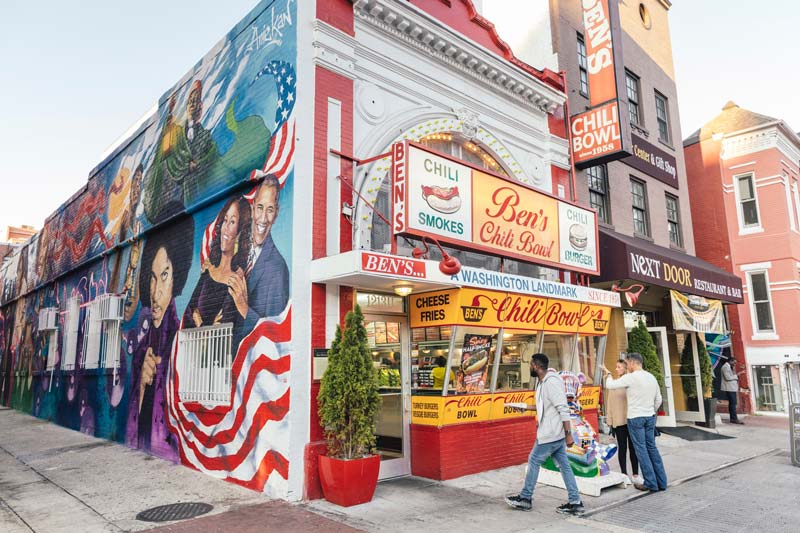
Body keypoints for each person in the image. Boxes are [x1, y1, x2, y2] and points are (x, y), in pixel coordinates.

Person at [126, 213, 193, 459]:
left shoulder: (180, 340)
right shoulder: (143, 348)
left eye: (164, 275)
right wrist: (142, 387)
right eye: (153, 278)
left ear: (177, 277)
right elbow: (132, 424)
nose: (156, 292)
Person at [505, 353, 584, 515]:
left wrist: (569, 434)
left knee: (534, 460)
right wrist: (524, 407)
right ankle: (575, 502)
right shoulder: (542, 382)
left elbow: (563, 408)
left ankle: (525, 498)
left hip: (550, 433)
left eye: (531, 365)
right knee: (564, 466)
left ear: (537, 366)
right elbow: (546, 406)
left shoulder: (551, 383)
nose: (529, 367)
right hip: (554, 433)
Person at [228, 175, 290, 339]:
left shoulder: (278, 269)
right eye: (260, 208)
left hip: (251, 360)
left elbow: (274, 334)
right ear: (253, 207)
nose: (263, 218)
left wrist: (243, 306)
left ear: (276, 213)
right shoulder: (239, 255)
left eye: (269, 210)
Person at [602, 353, 667, 492]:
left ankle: (650, 482)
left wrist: (607, 374)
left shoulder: (630, 377)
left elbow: (610, 385)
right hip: (650, 417)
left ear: (632, 363)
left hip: (636, 418)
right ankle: (662, 481)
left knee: (641, 450)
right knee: (652, 448)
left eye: (627, 363)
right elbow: (659, 399)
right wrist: (651, 410)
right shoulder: (651, 377)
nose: (627, 366)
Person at [183, 196, 251, 328]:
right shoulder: (208, 269)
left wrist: (200, 322)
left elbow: (225, 324)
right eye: (225, 220)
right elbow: (190, 309)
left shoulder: (236, 280)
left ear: (239, 233)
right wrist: (201, 322)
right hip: (192, 346)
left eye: (232, 222)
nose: (225, 228)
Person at [605, 359, 640, 484]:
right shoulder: (613, 384)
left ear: (625, 369)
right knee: (622, 448)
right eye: (616, 367)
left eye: (619, 367)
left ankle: (635, 474)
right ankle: (624, 474)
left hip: (631, 420)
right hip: (619, 422)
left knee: (633, 448)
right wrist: (610, 421)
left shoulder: (630, 383)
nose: (616, 369)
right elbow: (609, 404)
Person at [721, 358, 743, 424]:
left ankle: (733, 418)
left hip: (732, 388)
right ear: (730, 361)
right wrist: (737, 375)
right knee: (732, 404)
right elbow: (728, 378)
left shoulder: (729, 367)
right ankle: (734, 419)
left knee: (732, 404)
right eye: (734, 362)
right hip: (729, 388)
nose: (735, 364)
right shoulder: (725, 367)